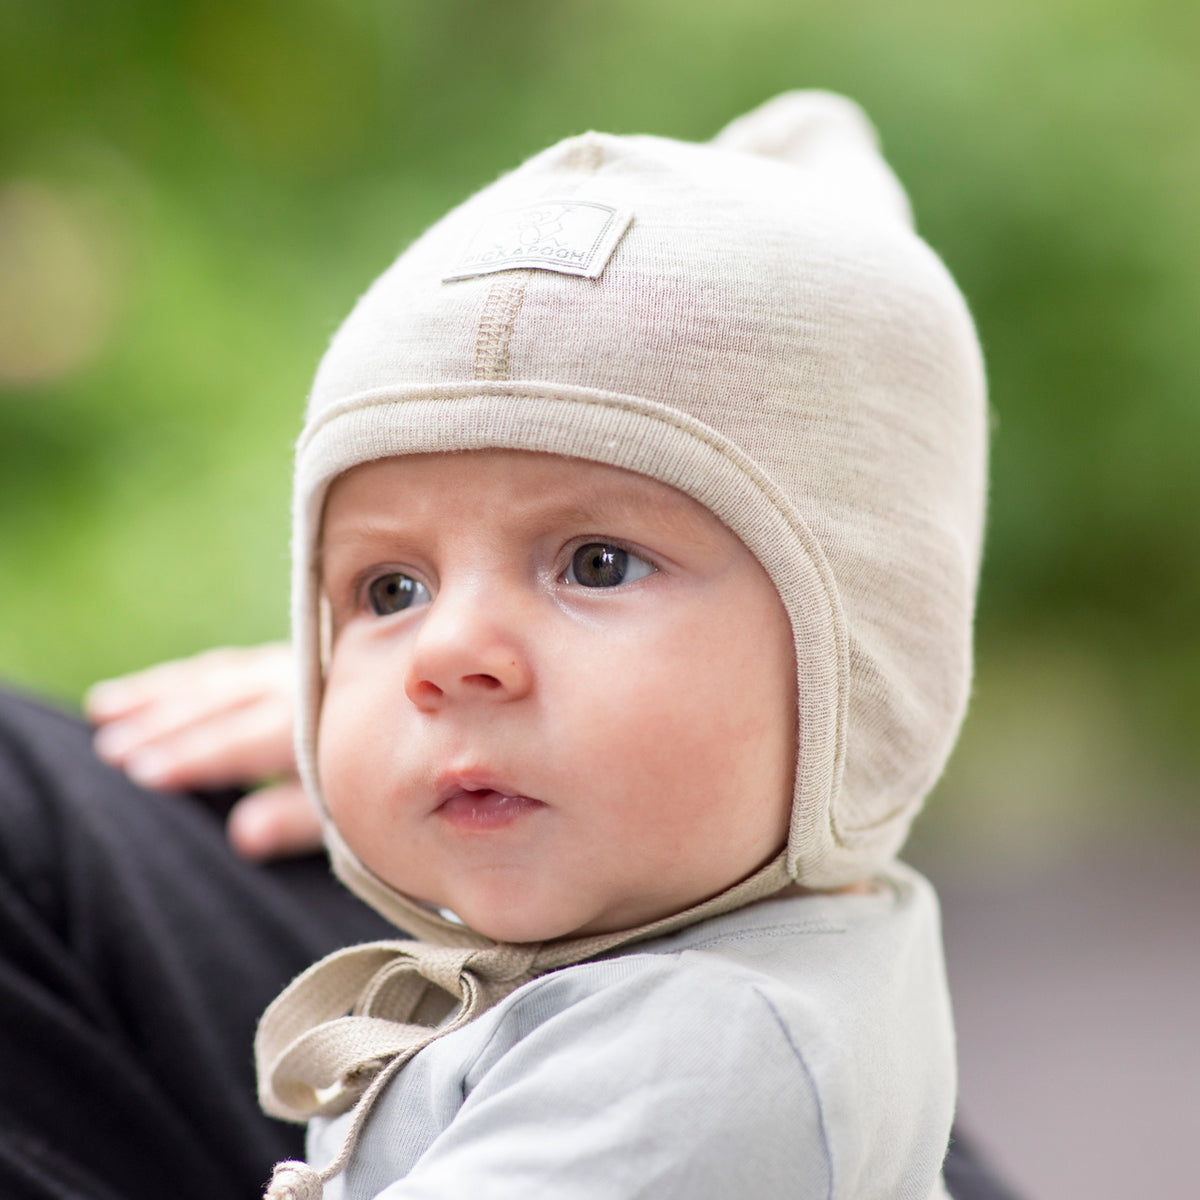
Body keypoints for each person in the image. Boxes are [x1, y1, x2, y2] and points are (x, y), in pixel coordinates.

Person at [0, 91, 1019, 1199]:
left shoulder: (702, 1059)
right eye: (389, 589)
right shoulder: (680, 973)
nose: (449, 653)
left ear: (868, 662)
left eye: (596, 564)